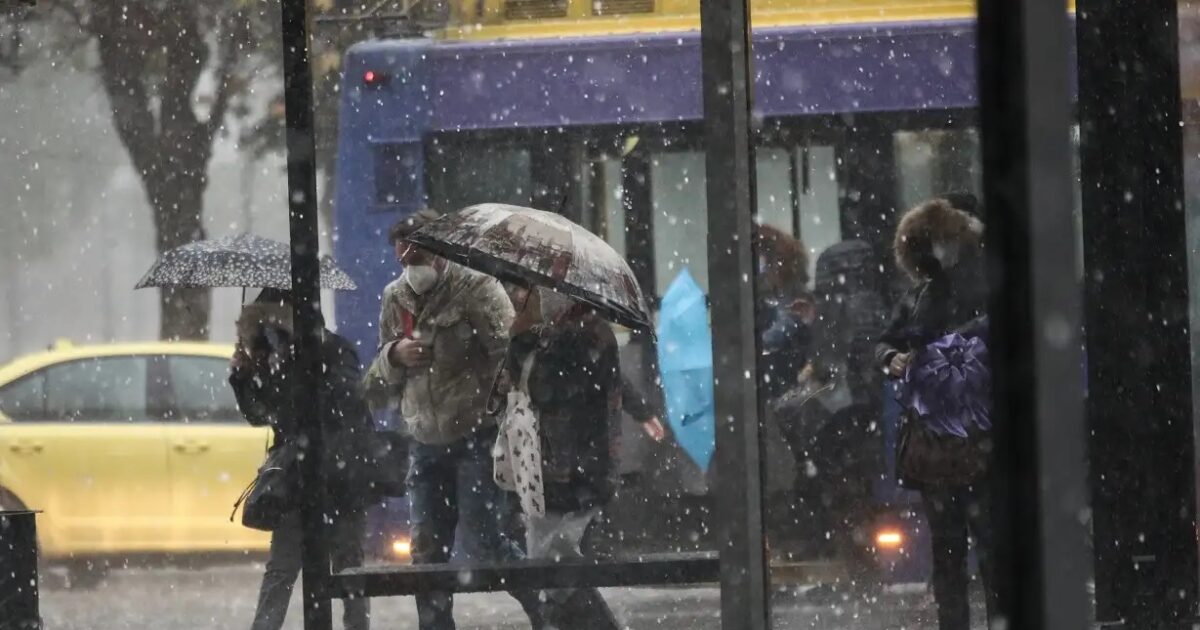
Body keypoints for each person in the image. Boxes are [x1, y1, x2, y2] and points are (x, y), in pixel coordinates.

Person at [364, 210, 547, 630]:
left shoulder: (476, 287)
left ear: (439, 253)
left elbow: (510, 354)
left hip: (474, 437)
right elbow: (378, 376)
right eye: (402, 260)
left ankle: (545, 608)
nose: (410, 269)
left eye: (416, 259)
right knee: (426, 552)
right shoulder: (395, 296)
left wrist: (497, 404)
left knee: (484, 543)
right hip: (423, 440)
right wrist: (394, 355)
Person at [874, 195, 995, 630]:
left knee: (963, 548)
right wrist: (892, 358)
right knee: (960, 548)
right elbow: (885, 341)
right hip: (956, 437)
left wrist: (928, 353)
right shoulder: (923, 293)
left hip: (962, 435)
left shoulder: (975, 286)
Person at [229, 288, 371, 630]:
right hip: (293, 475)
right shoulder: (273, 356)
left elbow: (345, 401)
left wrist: (305, 363)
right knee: (282, 566)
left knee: (348, 565)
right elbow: (261, 415)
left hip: (339, 471)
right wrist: (243, 378)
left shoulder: (333, 349)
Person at [500, 286, 622, 630]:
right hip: (550, 471)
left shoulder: (586, 335)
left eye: (530, 292)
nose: (520, 298)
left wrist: (524, 340)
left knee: (559, 576)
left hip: (575, 474)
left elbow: (550, 390)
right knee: (554, 579)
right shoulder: (558, 334)